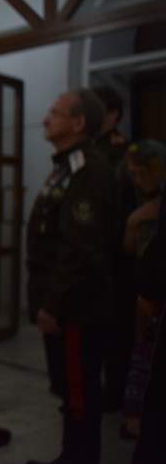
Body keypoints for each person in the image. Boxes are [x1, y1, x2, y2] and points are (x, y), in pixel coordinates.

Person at [26, 89, 120, 464]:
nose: (47, 119)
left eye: (55, 112)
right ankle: (71, 457)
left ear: (78, 123)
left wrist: (52, 305)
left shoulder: (89, 171)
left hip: (76, 307)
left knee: (80, 393)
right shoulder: (67, 166)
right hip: (65, 304)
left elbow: (79, 248)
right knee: (70, 391)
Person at [92, 85, 136, 411]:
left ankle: (116, 389)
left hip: (116, 255)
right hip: (95, 253)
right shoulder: (91, 148)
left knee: (117, 328)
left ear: (113, 115)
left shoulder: (122, 152)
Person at [119, 141, 166, 439]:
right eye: (132, 173)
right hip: (140, 289)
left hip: (156, 295)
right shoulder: (136, 201)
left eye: (141, 173)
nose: (137, 180)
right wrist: (133, 222)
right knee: (139, 355)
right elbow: (128, 249)